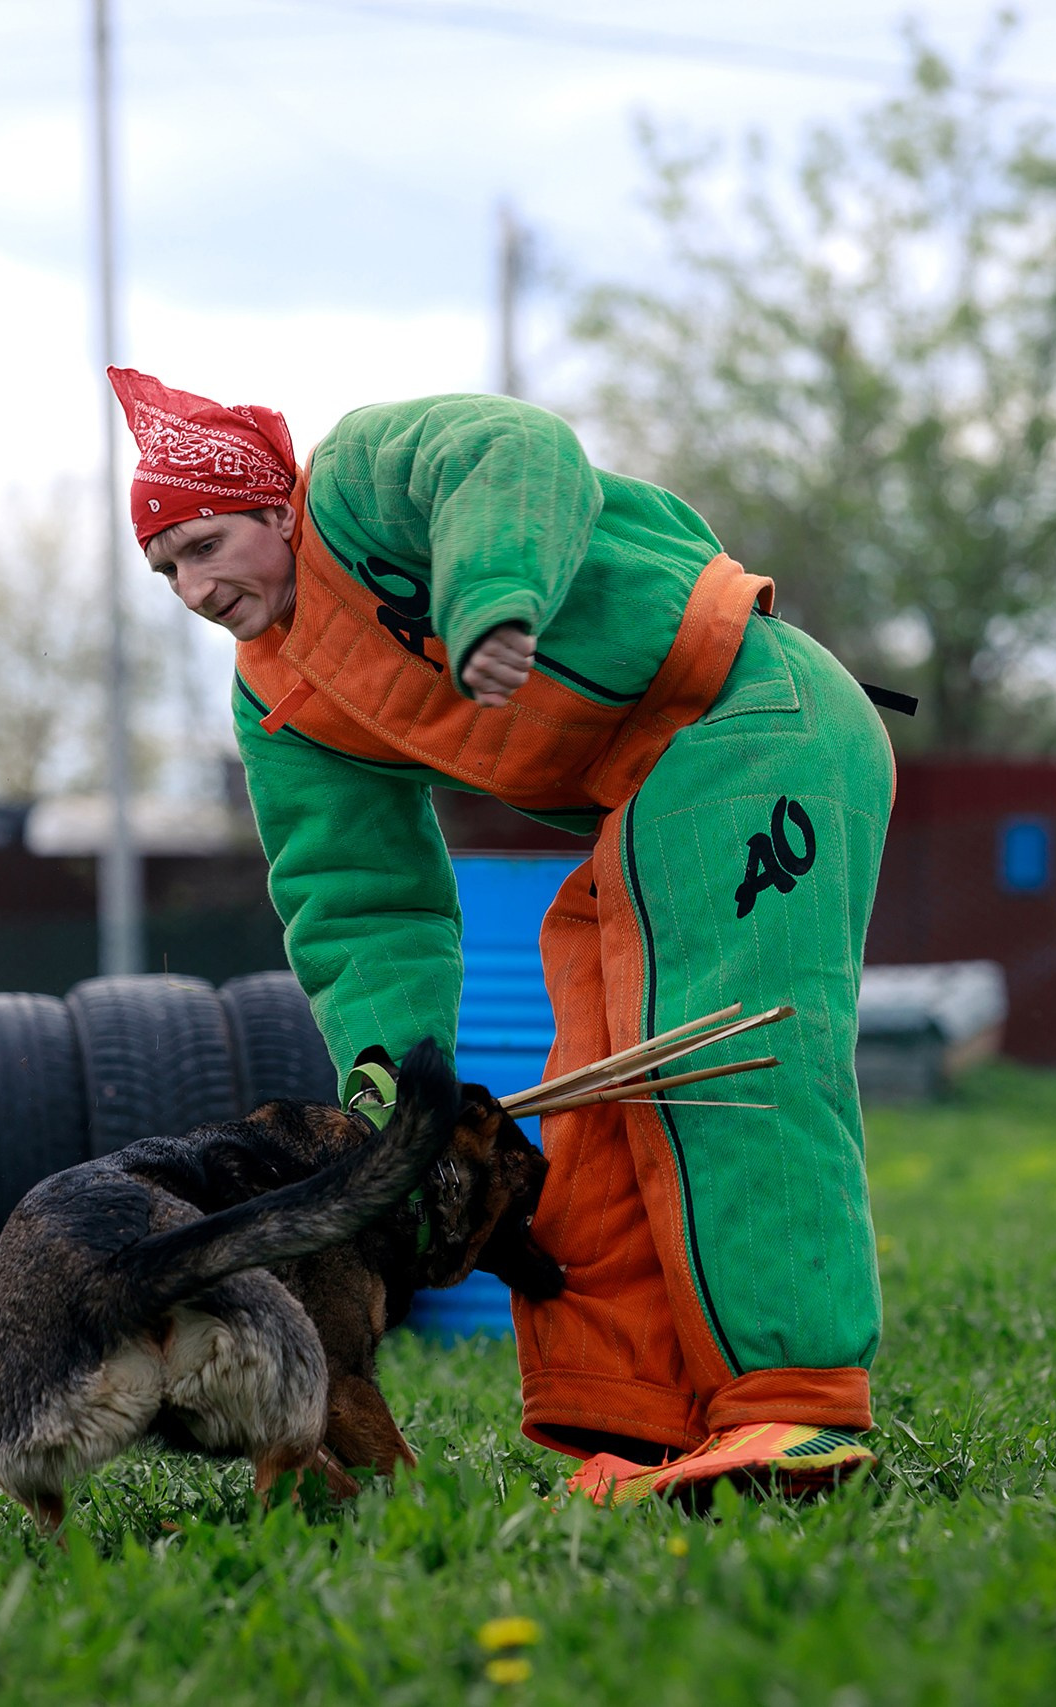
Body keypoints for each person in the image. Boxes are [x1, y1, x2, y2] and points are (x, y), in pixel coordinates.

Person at [112, 368, 892, 1505]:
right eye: (164, 567)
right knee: (587, 1105)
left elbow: (514, 454)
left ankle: (796, 1412)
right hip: (640, 809)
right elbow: (358, 894)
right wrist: (391, 1094)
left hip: (749, 721)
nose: (190, 586)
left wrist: (489, 600)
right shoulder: (276, 696)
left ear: (277, 511)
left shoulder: (361, 482)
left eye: (205, 544)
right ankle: (644, 1424)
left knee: (719, 1058)